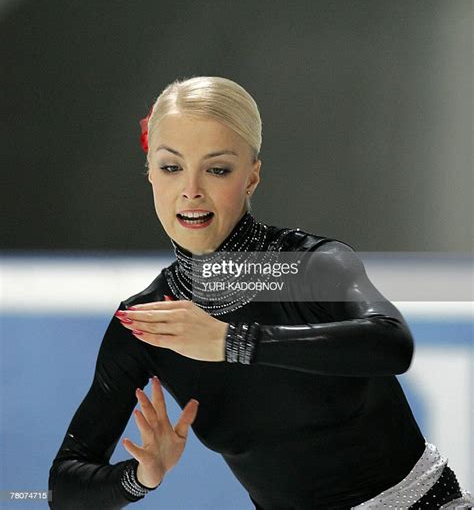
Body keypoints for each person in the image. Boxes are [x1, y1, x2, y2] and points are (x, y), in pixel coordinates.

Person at [48, 76, 473, 509]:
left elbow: (391, 343)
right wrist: (139, 477)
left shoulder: (308, 265)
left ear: (251, 176)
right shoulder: (149, 321)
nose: (191, 189)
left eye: (217, 169)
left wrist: (231, 342)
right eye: (171, 167)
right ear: (151, 175)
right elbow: (63, 488)